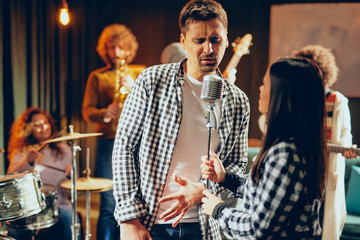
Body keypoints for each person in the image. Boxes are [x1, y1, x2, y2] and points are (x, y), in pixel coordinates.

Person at [112, 0, 250, 239]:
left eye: (216, 39)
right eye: (199, 40)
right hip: (148, 221)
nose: (209, 48)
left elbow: (236, 166)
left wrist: (204, 189)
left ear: (226, 39)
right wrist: (128, 218)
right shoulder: (152, 81)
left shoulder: (238, 101)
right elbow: (124, 147)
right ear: (184, 41)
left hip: (205, 225)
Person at [200, 58, 327, 239]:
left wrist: (218, 209)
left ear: (282, 95)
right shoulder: (291, 146)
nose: (260, 88)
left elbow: (259, 229)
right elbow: (266, 193)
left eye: (265, 84)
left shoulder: (286, 154)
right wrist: (225, 178)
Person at [82, 23, 144, 240]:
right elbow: (87, 112)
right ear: (105, 50)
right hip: (108, 142)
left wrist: (135, 85)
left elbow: (156, 105)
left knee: (137, 201)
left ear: (128, 49)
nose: (117, 53)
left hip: (138, 143)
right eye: (112, 48)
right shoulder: (97, 77)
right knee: (108, 202)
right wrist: (105, 113)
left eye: (121, 48)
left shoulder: (140, 72)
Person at [294, 45, 356, 240]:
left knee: (322, 226)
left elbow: (345, 137)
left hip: (326, 175)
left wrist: (347, 149)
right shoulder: (296, 99)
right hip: (299, 172)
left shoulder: (338, 101)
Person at [6, 107, 77, 240]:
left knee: (71, 217)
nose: (43, 127)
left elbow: (74, 188)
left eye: (45, 123)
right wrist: (28, 161)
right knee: (17, 231)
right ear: (28, 129)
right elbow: (10, 176)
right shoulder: (22, 151)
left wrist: (70, 176)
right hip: (31, 206)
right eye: (37, 125)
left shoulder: (65, 150)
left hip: (60, 203)